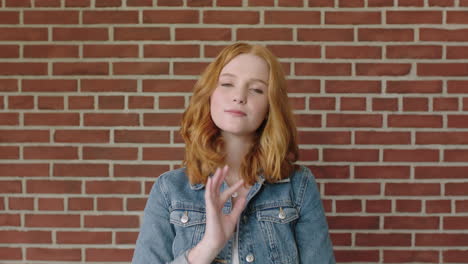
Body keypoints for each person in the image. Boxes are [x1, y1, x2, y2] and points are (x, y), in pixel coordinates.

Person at [132, 42, 336, 264]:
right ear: (209, 94)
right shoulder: (169, 190)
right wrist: (209, 245)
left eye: (256, 89)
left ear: (270, 107)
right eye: (228, 83)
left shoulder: (298, 185)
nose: (239, 96)